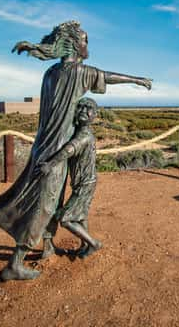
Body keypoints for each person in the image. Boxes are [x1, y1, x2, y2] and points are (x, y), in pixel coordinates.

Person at [0, 21, 152, 280]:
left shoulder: (50, 74)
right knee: (44, 204)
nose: (88, 46)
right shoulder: (79, 72)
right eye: (86, 41)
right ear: (75, 44)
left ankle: (47, 247)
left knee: (51, 199)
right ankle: (15, 263)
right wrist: (137, 80)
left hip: (42, 146)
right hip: (56, 152)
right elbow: (107, 76)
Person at [39, 98, 101, 258]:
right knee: (81, 215)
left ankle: (93, 243)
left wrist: (50, 164)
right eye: (80, 108)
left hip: (85, 183)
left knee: (65, 218)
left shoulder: (84, 136)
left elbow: (68, 150)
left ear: (95, 114)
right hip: (85, 182)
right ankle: (85, 245)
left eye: (88, 109)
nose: (82, 112)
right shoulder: (80, 132)